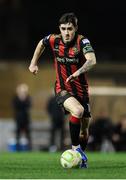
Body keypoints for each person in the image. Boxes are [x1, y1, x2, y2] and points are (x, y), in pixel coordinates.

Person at [29, 12, 96, 168]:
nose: (66, 32)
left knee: (84, 131)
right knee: (77, 111)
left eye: (70, 29)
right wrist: (33, 63)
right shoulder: (54, 40)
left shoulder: (82, 41)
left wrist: (77, 72)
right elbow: (41, 43)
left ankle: (80, 158)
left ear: (76, 28)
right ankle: (75, 150)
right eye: (63, 28)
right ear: (59, 29)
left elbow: (92, 60)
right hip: (62, 88)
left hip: (82, 91)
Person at [12, 83, 32, 151]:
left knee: (28, 134)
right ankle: (17, 149)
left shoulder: (28, 97)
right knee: (18, 134)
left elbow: (29, 106)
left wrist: (24, 98)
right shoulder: (15, 98)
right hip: (18, 119)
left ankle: (29, 148)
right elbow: (15, 106)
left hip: (26, 118)